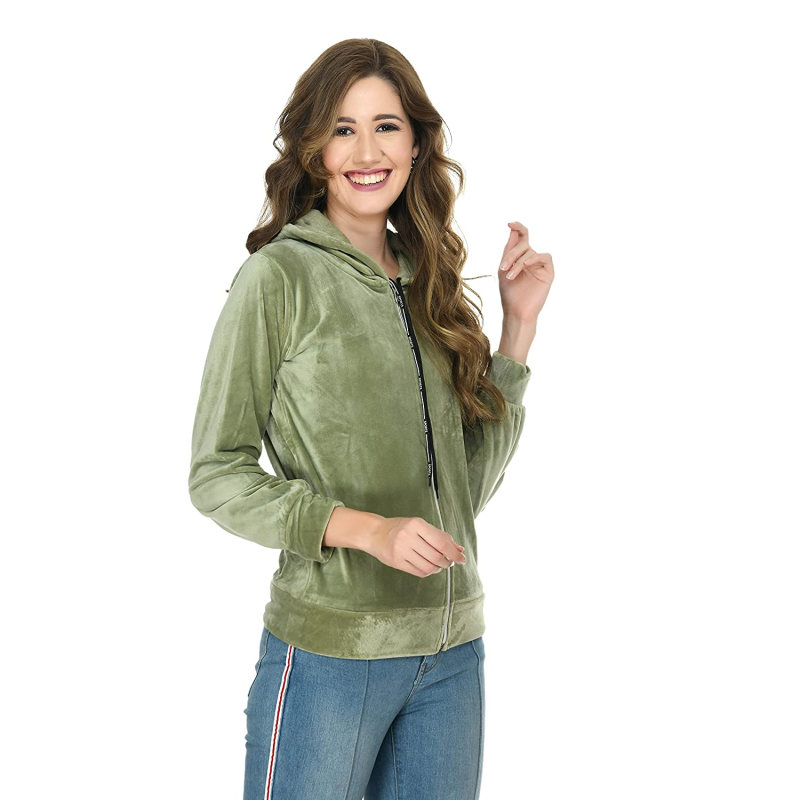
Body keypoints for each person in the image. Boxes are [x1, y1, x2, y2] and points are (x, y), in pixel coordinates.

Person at [188, 38, 554, 800]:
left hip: (451, 656)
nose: (366, 151)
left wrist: (517, 331)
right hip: (330, 653)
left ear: (417, 144)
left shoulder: (429, 280)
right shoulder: (278, 278)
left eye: (386, 126)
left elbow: (463, 490)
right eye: (342, 129)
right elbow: (216, 475)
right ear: (313, 149)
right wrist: (367, 530)